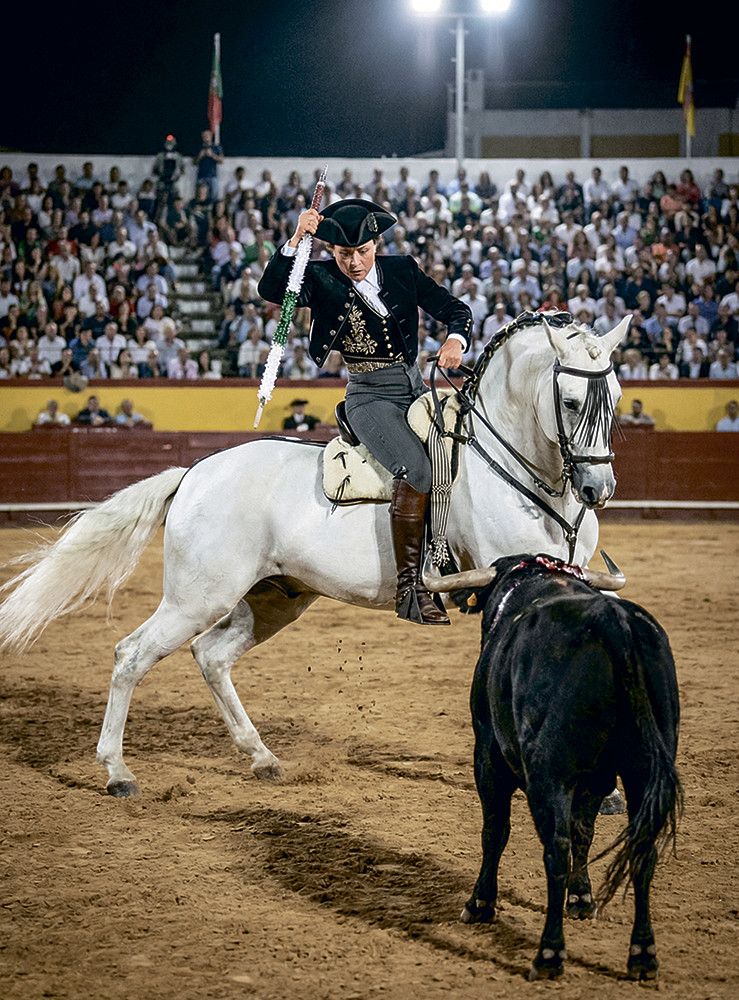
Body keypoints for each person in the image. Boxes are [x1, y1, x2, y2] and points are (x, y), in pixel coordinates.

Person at [258, 198, 473, 626]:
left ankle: (454, 560)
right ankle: (409, 589)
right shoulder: (319, 277)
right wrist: (297, 237)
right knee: (417, 470)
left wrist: (455, 340)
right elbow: (272, 289)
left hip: (416, 389)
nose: (354, 263)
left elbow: (456, 310)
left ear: (377, 245)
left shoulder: (402, 269)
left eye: (362, 252)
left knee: (464, 456)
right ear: (331, 251)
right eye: (344, 254)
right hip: (369, 396)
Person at [193, 128, 224, 203]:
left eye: (207, 135)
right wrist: (200, 156)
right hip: (201, 175)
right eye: (204, 136)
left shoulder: (216, 147)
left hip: (212, 175)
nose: (205, 137)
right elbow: (194, 162)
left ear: (211, 136)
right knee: (200, 196)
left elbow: (221, 160)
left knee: (213, 196)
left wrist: (212, 155)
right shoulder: (199, 148)